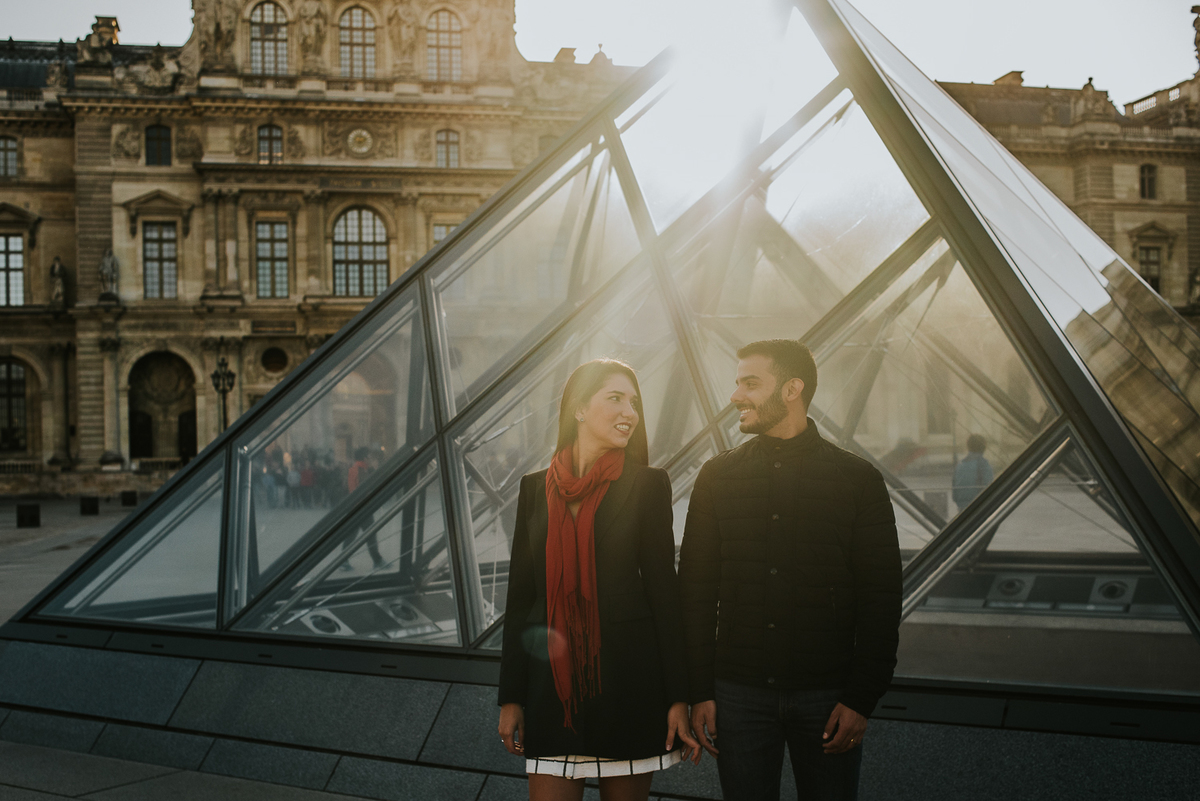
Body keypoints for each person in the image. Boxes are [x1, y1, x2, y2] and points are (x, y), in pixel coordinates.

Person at [679, 340, 901, 801]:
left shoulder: (859, 480)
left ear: (792, 388)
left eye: (750, 383)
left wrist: (861, 699)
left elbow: (881, 597)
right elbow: (695, 594)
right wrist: (698, 690)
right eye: (738, 383)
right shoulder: (716, 477)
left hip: (829, 697)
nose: (736, 395)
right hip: (736, 695)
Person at [498, 358, 700, 801]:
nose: (630, 411)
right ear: (578, 409)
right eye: (615, 398)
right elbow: (522, 598)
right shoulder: (535, 488)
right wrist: (510, 696)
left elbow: (665, 594)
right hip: (550, 691)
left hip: (630, 686)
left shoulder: (647, 485)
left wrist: (678, 697)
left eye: (635, 402)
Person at [952, 434, 994, 511]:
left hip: (961, 507)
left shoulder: (959, 465)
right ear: (983, 447)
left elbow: (955, 493)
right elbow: (989, 488)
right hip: (978, 507)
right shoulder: (983, 464)